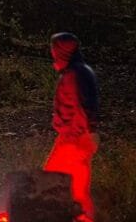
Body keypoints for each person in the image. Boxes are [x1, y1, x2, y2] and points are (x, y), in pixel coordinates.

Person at [43, 32, 100, 222]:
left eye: (54, 49)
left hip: (74, 139)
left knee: (55, 184)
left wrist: (80, 135)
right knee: (73, 187)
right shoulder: (80, 71)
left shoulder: (74, 75)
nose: (52, 53)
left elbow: (83, 107)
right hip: (76, 137)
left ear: (62, 50)